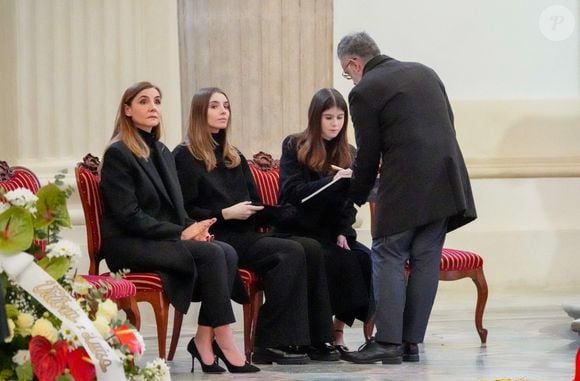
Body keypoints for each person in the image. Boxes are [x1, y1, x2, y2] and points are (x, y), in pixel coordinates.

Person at [336, 32, 477, 364]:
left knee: (388, 253)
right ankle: (411, 344)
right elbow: (447, 127)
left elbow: (368, 156)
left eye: (347, 72)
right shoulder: (426, 72)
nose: (350, 77)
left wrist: (354, 197)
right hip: (447, 179)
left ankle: (387, 342)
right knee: (427, 258)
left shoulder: (365, 91)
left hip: (406, 184)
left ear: (354, 63)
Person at [100, 81, 259, 373]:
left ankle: (202, 338)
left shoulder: (160, 150)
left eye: (157, 101)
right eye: (144, 101)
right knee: (212, 255)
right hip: (129, 242)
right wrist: (179, 232)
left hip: (160, 238)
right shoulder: (118, 154)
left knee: (224, 250)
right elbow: (129, 216)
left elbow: (175, 208)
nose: (153, 107)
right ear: (127, 110)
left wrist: (195, 227)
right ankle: (223, 340)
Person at [173, 87, 340, 364]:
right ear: (199, 112)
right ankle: (270, 343)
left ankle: (312, 339)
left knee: (309, 247)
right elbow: (186, 211)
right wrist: (226, 213)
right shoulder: (184, 156)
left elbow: (253, 203)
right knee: (289, 252)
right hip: (216, 235)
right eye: (214, 106)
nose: (223, 111)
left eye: (225, 105)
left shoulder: (233, 155)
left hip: (244, 233)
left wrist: (281, 213)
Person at [277, 88, 373, 354]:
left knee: (365, 259)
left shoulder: (349, 152)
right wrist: (332, 182)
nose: (335, 124)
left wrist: (344, 230)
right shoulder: (294, 145)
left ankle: (338, 328)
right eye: (328, 117)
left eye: (340, 118)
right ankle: (318, 334)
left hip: (332, 230)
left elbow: (351, 202)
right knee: (336, 260)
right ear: (316, 117)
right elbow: (292, 194)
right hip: (300, 228)